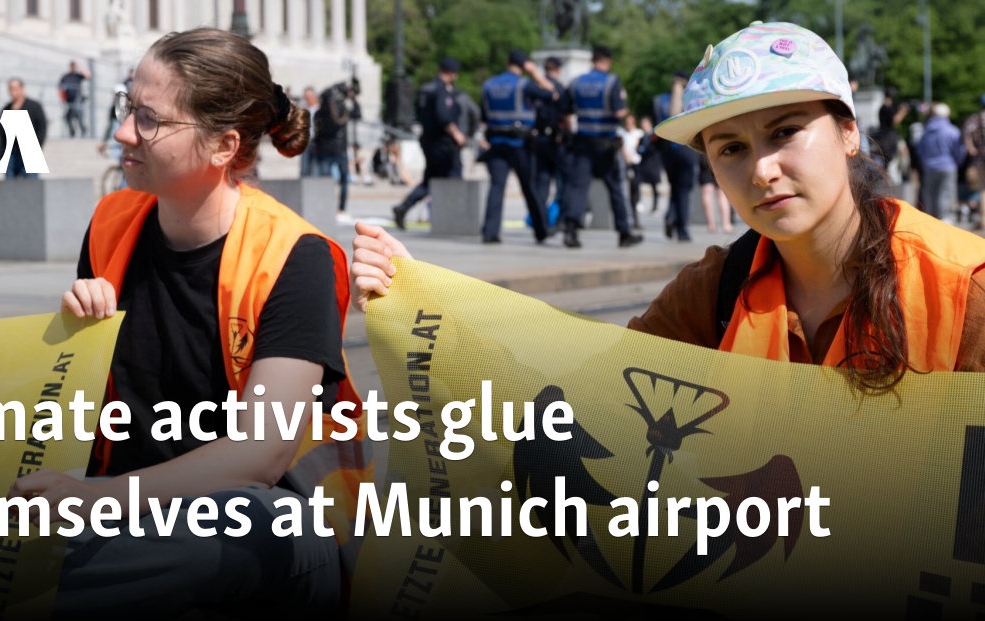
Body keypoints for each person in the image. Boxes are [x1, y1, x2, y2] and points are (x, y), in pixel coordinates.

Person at [351, 21, 985, 390]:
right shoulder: (712, 291)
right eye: (730, 147)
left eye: (786, 131)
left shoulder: (967, 288)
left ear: (849, 131)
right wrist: (426, 301)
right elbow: (587, 394)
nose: (761, 170)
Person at [9, 27, 369, 621]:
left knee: (221, 530)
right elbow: (70, 415)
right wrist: (76, 333)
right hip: (130, 513)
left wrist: (92, 502)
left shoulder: (294, 256)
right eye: (128, 107)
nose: (124, 133)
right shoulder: (111, 222)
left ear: (224, 145)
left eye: (149, 120)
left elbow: (260, 455)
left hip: (274, 523)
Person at [562, 45, 643, 248]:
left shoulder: (576, 83)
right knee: (616, 188)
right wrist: (623, 106)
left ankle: (571, 231)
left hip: (582, 143)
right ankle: (624, 233)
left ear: (592, 60)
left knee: (578, 188)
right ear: (607, 61)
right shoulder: (611, 82)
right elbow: (618, 112)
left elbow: (564, 110)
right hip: (605, 145)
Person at [478, 49, 558, 244]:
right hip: (520, 144)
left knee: (497, 187)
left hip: (496, 143)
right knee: (529, 188)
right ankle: (541, 230)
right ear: (524, 65)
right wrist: (535, 73)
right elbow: (552, 94)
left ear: (507, 62)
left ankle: (490, 232)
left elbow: (483, 116)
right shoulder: (524, 84)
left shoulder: (489, 85)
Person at [393, 57, 465, 230]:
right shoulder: (441, 90)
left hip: (428, 140)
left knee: (430, 181)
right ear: (452, 74)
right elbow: (444, 116)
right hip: (443, 143)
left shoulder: (425, 89)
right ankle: (454, 217)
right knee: (454, 178)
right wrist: (457, 134)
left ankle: (404, 207)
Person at [654, 70, 699, 241]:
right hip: (685, 149)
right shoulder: (689, 98)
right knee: (684, 190)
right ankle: (682, 230)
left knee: (675, 187)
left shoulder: (658, 100)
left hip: (667, 152)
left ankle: (671, 216)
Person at [532, 55, 572, 234]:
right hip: (556, 140)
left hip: (538, 138)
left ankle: (540, 222)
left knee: (542, 182)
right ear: (558, 69)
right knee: (564, 182)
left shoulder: (534, 88)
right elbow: (566, 114)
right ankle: (561, 222)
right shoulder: (559, 89)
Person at [313, 80, 360, 218]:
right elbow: (356, 114)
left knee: (331, 181)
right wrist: (352, 99)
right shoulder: (337, 111)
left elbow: (357, 114)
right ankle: (338, 208)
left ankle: (332, 207)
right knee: (338, 181)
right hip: (335, 150)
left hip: (332, 151)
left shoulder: (321, 113)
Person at [915, 102, 966, 221]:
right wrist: (957, 163)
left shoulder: (926, 131)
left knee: (930, 195)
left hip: (929, 167)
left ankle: (931, 221)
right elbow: (960, 150)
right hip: (948, 166)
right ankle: (945, 220)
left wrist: (926, 162)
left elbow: (920, 150)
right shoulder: (952, 130)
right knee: (945, 195)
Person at [0, 77, 48, 179]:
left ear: (21, 89)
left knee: (31, 187)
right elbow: (2, 134)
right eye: (10, 89)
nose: (12, 92)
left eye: (15, 88)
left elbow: (42, 128)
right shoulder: (6, 109)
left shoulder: (34, 106)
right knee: (10, 188)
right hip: (11, 155)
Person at [961, 94, 985, 230]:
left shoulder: (975, 119)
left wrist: (971, 148)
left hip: (980, 158)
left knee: (983, 189)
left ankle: (983, 219)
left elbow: (966, 134)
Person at [697, 153, 732, 233]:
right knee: (721, 193)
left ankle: (711, 224)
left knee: (708, 191)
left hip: (704, 156)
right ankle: (726, 224)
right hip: (718, 158)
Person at [59, 60, 91, 138]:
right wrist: (62, 98)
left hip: (78, 99)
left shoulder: (78, 76)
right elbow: (60, 87)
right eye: (72, 66)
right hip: (69, 100)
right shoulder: (66, 76)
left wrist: (79, 66)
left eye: (74, 66)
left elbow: (88, 75)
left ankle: (83, 131)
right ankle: (72, 132)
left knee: (79, 116)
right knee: (67, 117)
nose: (73, 68)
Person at [298, 85, 320, 177]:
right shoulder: (304, 110)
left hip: (317, 142)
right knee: (304, 169)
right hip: (306, 141)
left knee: (315, 169)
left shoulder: (320, 110)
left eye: (307, 97)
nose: (305, 99)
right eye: (304, 97)